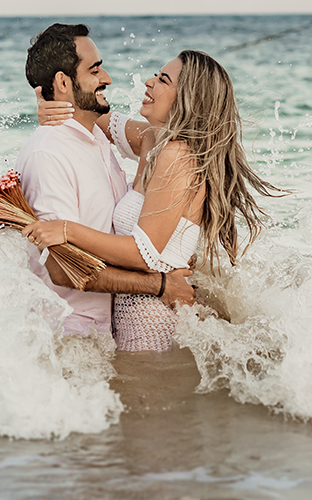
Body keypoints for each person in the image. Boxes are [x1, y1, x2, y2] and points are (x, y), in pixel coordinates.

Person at [23, 49, 283, 351]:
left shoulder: (178, 156)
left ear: (186, 98)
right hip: (135, 309)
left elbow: (144, 253)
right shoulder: (151, 139)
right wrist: (52, 104)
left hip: (148, 316)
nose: (148, 82)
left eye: (162, 79)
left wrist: (67, 230)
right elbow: (94, 114)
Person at [15, 23, 195, 339]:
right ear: (63, 81)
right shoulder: (48, 154)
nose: (107, 78)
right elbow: (61, 266)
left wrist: (58, 102)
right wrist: (160, 284)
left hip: (112, 330)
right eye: (96, 69)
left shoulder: (99, 136)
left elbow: (119, 125)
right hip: (73, 335)